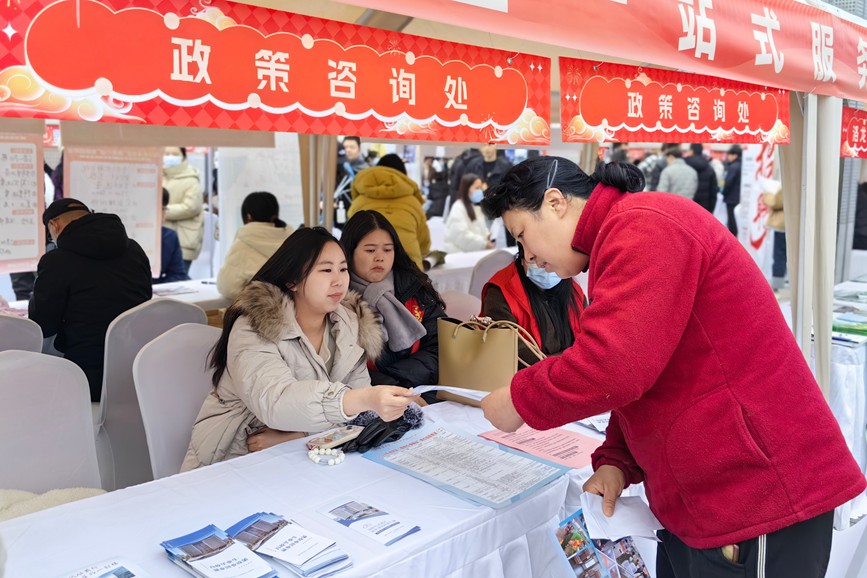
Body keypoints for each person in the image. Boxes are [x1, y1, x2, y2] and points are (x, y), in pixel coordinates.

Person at [478, 156, 865, 577]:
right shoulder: (623, 233)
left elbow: (613, 365)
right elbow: (648, 367)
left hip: (756, 496)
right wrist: (617, 460)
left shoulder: (644, 227)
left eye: (523, 236)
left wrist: (519, 399)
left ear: (555, 203)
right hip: (705, 500)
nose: (528, 256)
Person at [181, 227, 417, 470]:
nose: (339, 280)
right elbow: (275, 401)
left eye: (343, 269)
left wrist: (300, 435)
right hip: (234, 455)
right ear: (292, 280)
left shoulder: (349, 324)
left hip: (302, 454)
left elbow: (355, 416)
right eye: (326, 270)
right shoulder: (255, 326)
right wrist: (362, 399)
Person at [29, 198, 152, 401]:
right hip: (135, 371)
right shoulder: (135, 250)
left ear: (54, 225)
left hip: (83, 377)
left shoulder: (57, 261)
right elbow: (145, 300)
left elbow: (43, 324)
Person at [341, 210, 447, 391]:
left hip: (420, 392)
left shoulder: (413, 287)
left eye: (387, 250)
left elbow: (440, 346)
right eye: (370, 250)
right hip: (364, 401)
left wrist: (399, 385)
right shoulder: (336, 298)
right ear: (350, 252)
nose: (380, 257)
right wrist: (391, 388)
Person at [481, 244, 585, 363]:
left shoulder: (573, 290)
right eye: (536, 259)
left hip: (570, 373)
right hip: (523, 377)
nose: (546, 267)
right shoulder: (500, 292)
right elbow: (511, 355)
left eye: (552, 261)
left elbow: (588, 342)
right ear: (524, 256)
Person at [347, 154, 431, 270]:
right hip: (409, 273)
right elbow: (424, 243)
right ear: (403, 176)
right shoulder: (413, 203)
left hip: (368, 272)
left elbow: (349, 242)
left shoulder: (358, 203)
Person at [216, 191, 293, 300]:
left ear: (248, 216)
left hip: (261, 310)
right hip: (293, 309)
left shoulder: (244, 242)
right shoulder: (292, 239)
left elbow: (227, 287)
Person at [163, 147, 204, 273]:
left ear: (184, 157)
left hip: (184, 240)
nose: (170, 157)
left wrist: (163, 211)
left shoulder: (191, 179)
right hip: (161, 238)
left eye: (175, 154)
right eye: (167, 154)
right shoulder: (159, 175)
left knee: (178, 278)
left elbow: (191, 207)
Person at [444, 173, 493, 253]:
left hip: (472, 252)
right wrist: (484, 244)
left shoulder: (475, 207)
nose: (480, 191)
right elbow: (461, 235)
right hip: (460, 255)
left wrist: (487, 235)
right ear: (467, 189)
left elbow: (479, 228)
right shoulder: (458, 208)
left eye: (481, 188)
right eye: (477, 188)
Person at [154, 188, 189, 284]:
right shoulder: (123, 238)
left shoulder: (169, 237)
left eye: (162, 209)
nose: (161, 214)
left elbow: (178, 274)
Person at [683, 144, 718, 214]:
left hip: (686, 204)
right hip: (704, 207)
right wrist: (711, 210)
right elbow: (713, 191)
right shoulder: (709, 168)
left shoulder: (684, 165)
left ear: (692, 151)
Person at [723, 144, 742, 237]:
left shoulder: (733, 167)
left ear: (735, 155)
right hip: (741, 198)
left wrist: (723, 193)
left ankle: (732, 239)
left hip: (732, 198)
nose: (728, 157)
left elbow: (728, 183)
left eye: (729, 155)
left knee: (732, 221)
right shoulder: (743, 165)